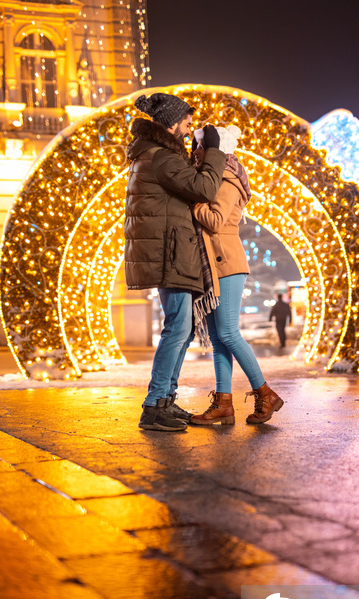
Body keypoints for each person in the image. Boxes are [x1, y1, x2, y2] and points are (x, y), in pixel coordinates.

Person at [124, 92, 226, 431]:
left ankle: (165, 399)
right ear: (170, 123)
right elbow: (206, 188)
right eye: (185, 120)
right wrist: (215, 150)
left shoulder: (156, 155)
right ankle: (154, 404)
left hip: (172, 250)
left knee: (180, 332)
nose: (189, 126)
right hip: (172, 252)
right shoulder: (162, 158)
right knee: (177, 329)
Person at [189, 125, 284, 426]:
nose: (196, 153)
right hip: (218, 265)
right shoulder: (213, 178)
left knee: (229, 333)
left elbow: (215, 220)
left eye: (201, 149)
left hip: (227, 263)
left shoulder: (227, 180)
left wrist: (193, 205)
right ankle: (224, 403)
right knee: (218, 340)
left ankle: (265, 393)